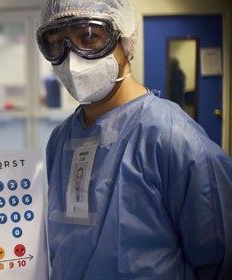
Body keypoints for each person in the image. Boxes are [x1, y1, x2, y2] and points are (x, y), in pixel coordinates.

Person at [36, 0, 232, 279]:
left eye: (89, 37)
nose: (72, 59)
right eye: (56, 43)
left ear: (125, 41)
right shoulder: (61, 139)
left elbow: (219, 254)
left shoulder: (171, 136)